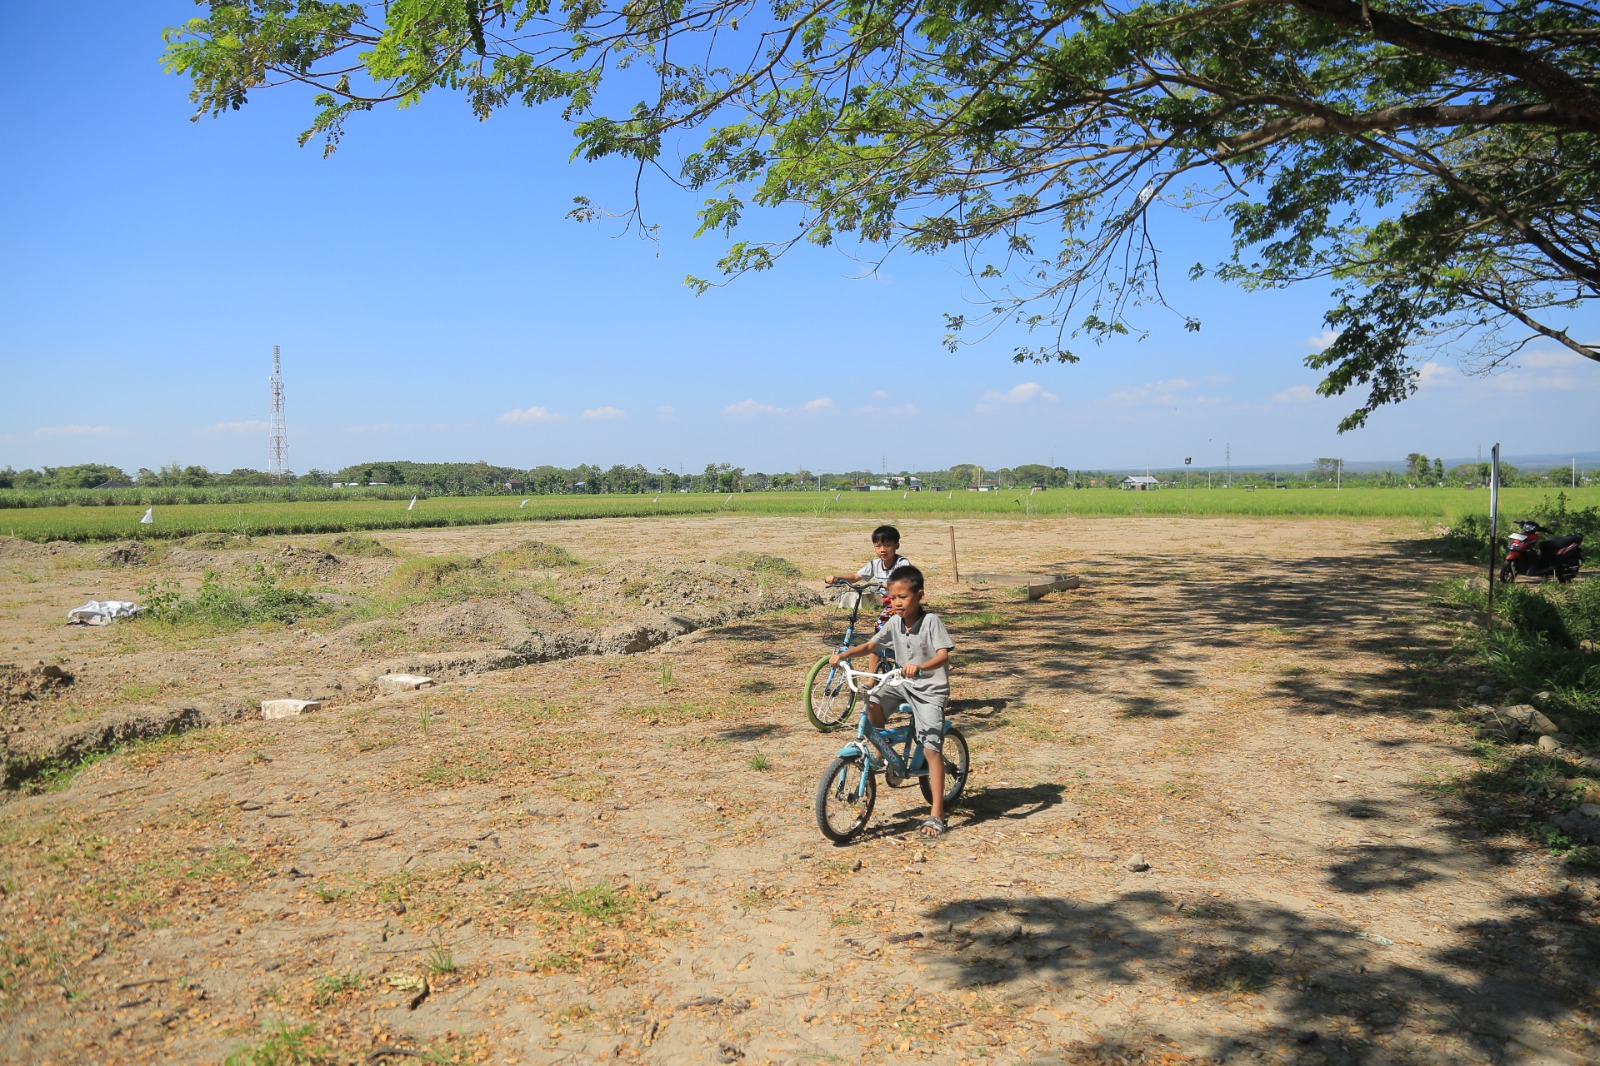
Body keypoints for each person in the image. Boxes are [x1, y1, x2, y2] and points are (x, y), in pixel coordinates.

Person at [830, 564, 955, 838]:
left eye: (903, 597)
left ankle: (937, 814)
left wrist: (921, 667)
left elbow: (944, 655)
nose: (897, 603)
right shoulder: (894, 622)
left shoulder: (931, 621)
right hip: (901, 684)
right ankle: (882, 751)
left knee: (932, 750)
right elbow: (873, 645)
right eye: (892, 598)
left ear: (919, 595)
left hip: (929, 690)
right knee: (872, 701)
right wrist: (845, 655)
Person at [826, 524, 911, 671]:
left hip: (903, 606)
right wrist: (837, 578)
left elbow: (905, 578)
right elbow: (855, 577)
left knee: (879, 635)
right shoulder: (874, 564)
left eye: (887, 545)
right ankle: (871, 680)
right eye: (878, 546)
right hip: (889, 607)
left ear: (897, 545)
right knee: (876, 640)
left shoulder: (901, 563)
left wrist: (891, 583)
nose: (882, 550)